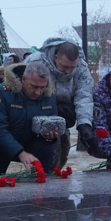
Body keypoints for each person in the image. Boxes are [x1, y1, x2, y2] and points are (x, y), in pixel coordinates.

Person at [24, 38, 96, 168]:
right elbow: (24, 91)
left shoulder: (82, 68)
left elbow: (84, 96)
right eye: (65, 66)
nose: (69, 71)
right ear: (56, 57)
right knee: (49, 151)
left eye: (72, 67)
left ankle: (55, 172)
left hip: (65, 115)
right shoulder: (35, 62)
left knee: (63, 149)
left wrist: (84, 124)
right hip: (37, 112)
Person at [0, 61, 58, 174]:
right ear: (23, 79)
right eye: (34, 86)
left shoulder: (48, 95)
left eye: (42, 88)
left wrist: (50, 136)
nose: (38, 92)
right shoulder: (2, 93)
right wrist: (20, 153)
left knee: (46, 147)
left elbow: (53, 120)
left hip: (31, 143)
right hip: (0, 147)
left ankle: (42, 180)